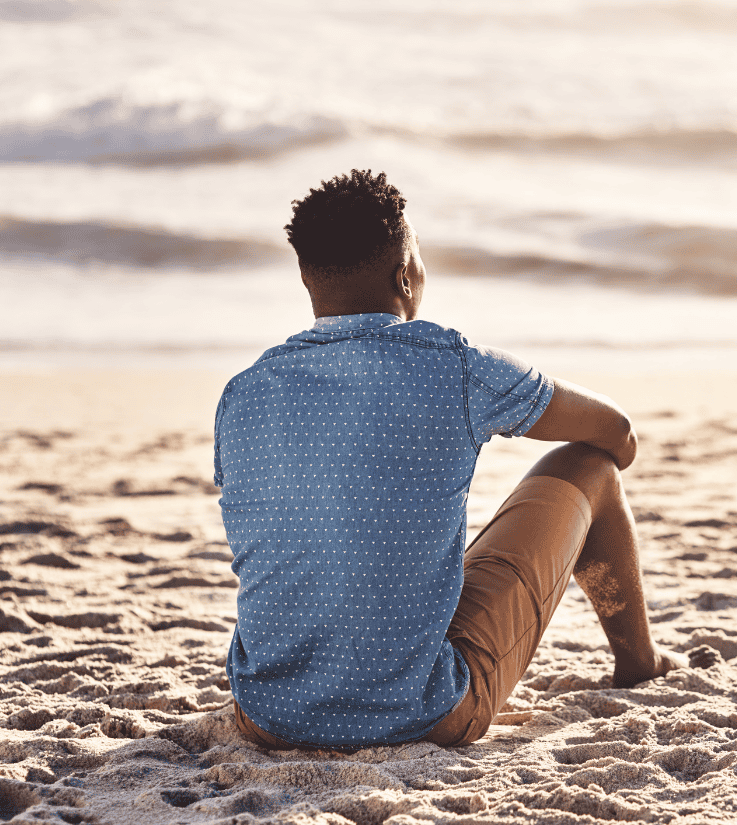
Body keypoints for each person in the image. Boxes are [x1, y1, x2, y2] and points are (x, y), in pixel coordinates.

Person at [215, 169, 704, 751]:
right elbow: (617, 433)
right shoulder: (452, 363)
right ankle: (640, 662)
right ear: (404, 274)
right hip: (422, 715)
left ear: (305, 277)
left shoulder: (244, 392)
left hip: (268, 717)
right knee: (591, 467)